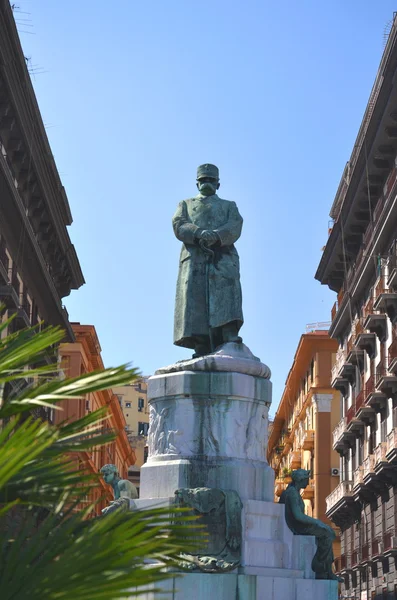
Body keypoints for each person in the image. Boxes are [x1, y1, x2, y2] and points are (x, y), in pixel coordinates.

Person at [173, 163, 244, 357]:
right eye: (203, 180)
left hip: (223, 256)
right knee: (195, 301)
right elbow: (179, 224)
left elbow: (235, 225)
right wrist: (198, 233)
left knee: (227, 296)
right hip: (194, 258)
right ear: (197, 183)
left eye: (211, 180)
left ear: (218, 184)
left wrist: (217, 236)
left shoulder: (229, 206)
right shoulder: (185, 204)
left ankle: (229, 334)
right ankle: (200, 344)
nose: (207, 183)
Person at [279, 468, 342, 581]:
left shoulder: (293, 491)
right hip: (296, 527)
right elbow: (298, 515)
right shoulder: (292, 493)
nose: (308, 481)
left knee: (327, 531)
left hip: (296, 525)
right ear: (300, 480)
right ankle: (321, 568)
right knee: (327, 533)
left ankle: (326, 570)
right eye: (307, 478)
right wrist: (317, 522)